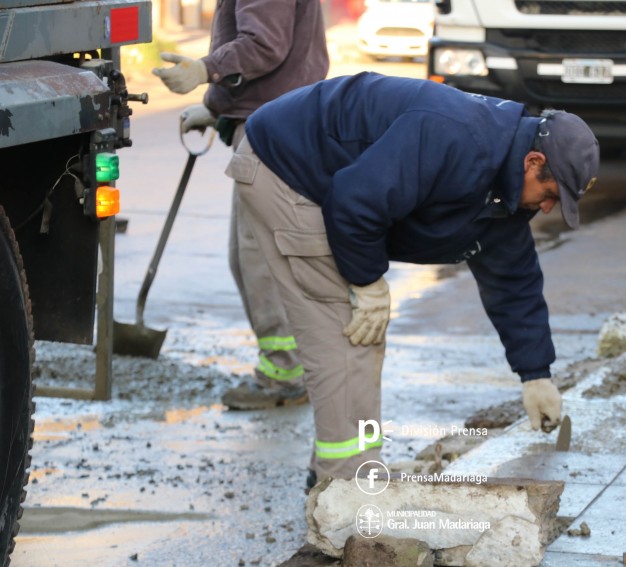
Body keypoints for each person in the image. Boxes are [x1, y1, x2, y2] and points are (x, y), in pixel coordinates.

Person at [227, 72, 599, 482]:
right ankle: (345, 492)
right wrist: (367, 283)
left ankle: (333, 476)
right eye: (550, 196)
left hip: (321, 175)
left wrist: (536, 374)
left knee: (357, 340)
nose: (547, 209)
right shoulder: (455, 137)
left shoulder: (504, 182)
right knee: (350, 337)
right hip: (288, 168)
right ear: (534, 162)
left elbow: (513, 278)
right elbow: (355, 202)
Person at [151, 0, 329, 410]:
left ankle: (285, 372)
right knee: (249, 258)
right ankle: (286, 368)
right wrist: (214, 107)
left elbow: (264, 45)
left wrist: (203, 69)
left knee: (259, 262)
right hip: (274, 119)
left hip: (273, 126)